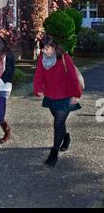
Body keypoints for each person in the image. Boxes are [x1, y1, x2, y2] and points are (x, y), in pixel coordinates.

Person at [33, 35, 82, 167]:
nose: (45, 51)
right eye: (43, 49)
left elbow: (73, 77)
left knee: (58, 123)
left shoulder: (64, 58)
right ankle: (66, 137)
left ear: (54, 47)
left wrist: (76, 95)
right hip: (50, 95)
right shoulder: (41, 59)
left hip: (66, 96)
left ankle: (53, 153)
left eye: (47, 48)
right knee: (59, 123)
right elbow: (39, 73)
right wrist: (38, 88)